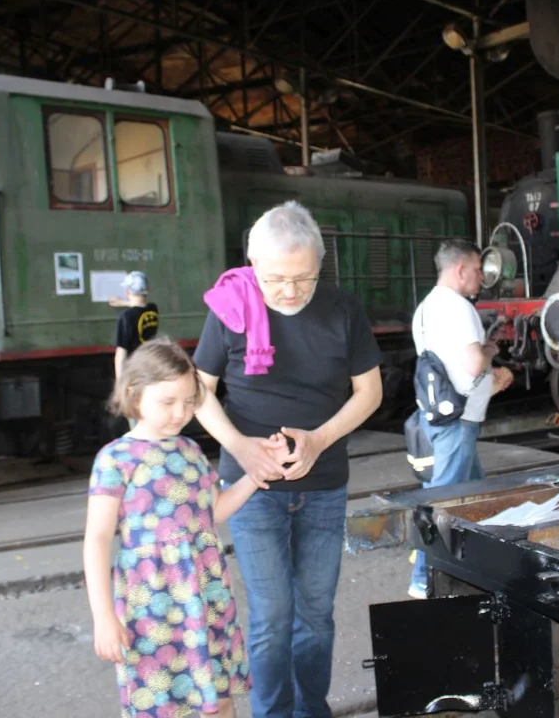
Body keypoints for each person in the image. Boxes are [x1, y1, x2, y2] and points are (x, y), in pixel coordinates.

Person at [192, 200, 384, 718]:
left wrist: (320, 439)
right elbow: (199, 392)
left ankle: (311, 711)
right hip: (252, 488)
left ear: (321, 267)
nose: (291, 292)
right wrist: (241, 447)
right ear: (253, 265)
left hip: (324, 486)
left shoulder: (343, 309)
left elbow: (369, 393)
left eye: (304, 278)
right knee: (273, 615)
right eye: (276, 280)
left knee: (317, 614)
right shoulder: (230, 309)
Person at [83, 337, 285, 718]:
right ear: (133, 393)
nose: (180, 413)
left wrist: (258, 474)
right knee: (160, 702)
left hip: (205, 595)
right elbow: (96, 540)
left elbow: (214, 511)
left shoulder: (190, 451)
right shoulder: (116, 459)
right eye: (168, 402)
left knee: (218, 698)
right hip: (151, 603)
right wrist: (103, 617)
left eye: (190, 402)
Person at [407, 239, 513, 599]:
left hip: (439, 414)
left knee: (478, 494)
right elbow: (472, 363)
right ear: (460, 269)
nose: (481, 277)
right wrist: (490, 350)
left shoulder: (426, 307)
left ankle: (481, 572)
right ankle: (423, 578)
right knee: (445, 499)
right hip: (458, 422)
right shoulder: (459, 307)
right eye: (478, 269)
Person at [111, 271, 160, 382]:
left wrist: (120, 384)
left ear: (127, 292)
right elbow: (140, 306)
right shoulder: (153, 309)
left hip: (133, 369)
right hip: (149, 364)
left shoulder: (125, 317)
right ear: (148, 289)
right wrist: (123, 303)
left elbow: (121, 355)